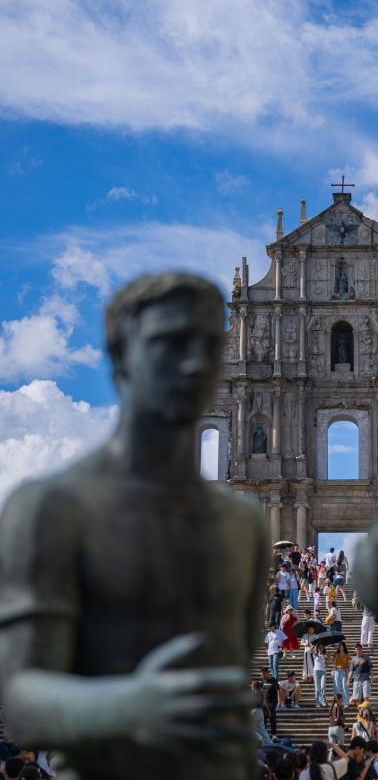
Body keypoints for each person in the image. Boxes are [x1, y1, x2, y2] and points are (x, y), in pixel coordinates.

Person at [0, 273, 270, 780]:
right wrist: (130, 707)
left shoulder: (243, 526)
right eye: (170, 343)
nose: (195, 364)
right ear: (121, 355)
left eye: (212, 345)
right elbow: (21, 701)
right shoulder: (51, 507)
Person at [260, 666, 279, 736]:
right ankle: (263, 735)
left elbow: (278, 691)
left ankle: (274, 735)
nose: (261, 676)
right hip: (264, 703)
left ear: (266, 673)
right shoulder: (263, 681)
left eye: (262, 674)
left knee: (272, 719)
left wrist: (279, 702)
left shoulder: (274, 680)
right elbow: (261, 691)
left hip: (272, 703)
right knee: (264, 720)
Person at [313, 643, 328, 708]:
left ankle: (323, 701)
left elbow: (327, 665)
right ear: (317, 648)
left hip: (323, 671)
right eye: (319, 647)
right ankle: (317, 702)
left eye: (322, 647)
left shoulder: (325, 655)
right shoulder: (315, 654)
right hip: (316, 671)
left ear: (323, 648)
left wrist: (328, 658)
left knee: (323, 686)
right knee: (317, 688)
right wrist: (315, 645)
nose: (320, 649)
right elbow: (311, 649)